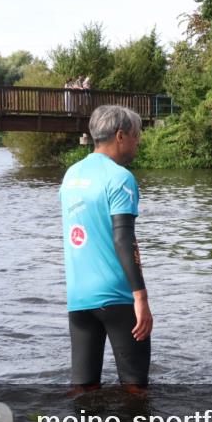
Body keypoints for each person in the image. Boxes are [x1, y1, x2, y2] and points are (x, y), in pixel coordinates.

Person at [60, 105, 153, 391]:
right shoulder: (120, 177)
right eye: (136, 136)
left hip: (78, 297)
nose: (138, 142)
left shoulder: (71, 176)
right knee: (135, 389)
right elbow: (124, 239)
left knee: (83, 389)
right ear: (121, 135)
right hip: (117, 296)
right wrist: (140, 298)